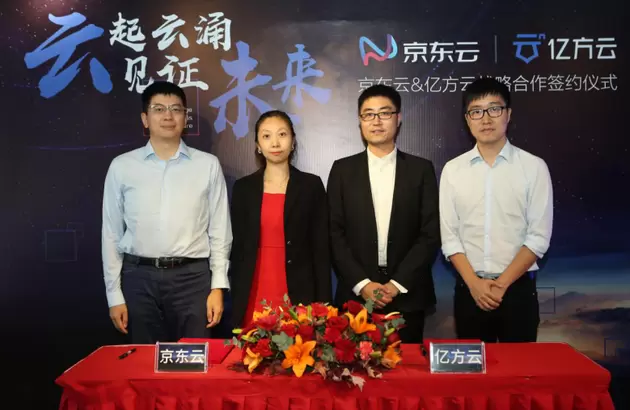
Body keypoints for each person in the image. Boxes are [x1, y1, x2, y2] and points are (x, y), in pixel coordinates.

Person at [102, 81, 232, 343]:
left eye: (176, 109)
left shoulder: (207, 165)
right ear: (145, 118)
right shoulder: (122, 166)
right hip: (139, 278)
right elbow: (111, 233)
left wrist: (217, 286)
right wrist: (114, 295)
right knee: (144, 360)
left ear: (185, 117)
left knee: (194, 359)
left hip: (193, 280)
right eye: (159, 109)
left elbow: (220, 231)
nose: (168, 116)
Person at [439, 77, 553, 343]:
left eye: (494, 109)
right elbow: (450, 237)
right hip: (470, 290)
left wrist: (501, 285)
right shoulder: (453, 170)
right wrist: (475, 285)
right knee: (474, 369)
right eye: (476, 111)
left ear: (508, 114)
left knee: (520, 367)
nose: (486, 119)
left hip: (518, 291)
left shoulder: (533, 167)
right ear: (467, 120)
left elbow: (538, 237)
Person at [327, 84, 440, 343]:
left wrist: (396, 284)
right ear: (360, 121)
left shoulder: (420, 170)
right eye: (368, 114)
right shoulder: (342, 170)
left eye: (384, 113)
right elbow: (334, 233)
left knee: (408, 367)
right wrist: (363, 284)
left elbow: (430, 233)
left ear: (398, 118)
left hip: (408, 295)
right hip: (355, 298)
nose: (376, 121)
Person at [230, 110, 332, 328]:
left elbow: (321, 250)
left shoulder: (311, 186)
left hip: (299, 288)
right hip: (255, 286)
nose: (275, 143)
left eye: (282, 134)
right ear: (258, 145)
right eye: (266, 136)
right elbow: (237, 249)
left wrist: (324, 305)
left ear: (293, 141)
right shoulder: (243, 188)